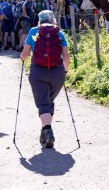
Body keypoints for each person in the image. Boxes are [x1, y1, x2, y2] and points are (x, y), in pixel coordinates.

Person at [20, 10, 70, 148]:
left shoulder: (34, 31)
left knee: (43, 103)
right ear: (52, 19)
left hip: (38, 71)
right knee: (48, 101)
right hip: (57, 72)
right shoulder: (59, 32)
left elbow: (24, 54)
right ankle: (44, 132)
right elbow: (66, 57)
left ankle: (48, 131)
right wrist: (64, 71)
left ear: (39, 19)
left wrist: (22, 58)